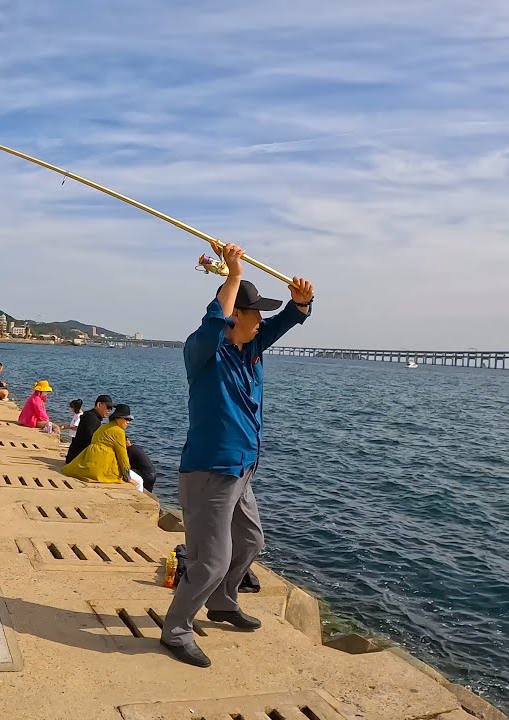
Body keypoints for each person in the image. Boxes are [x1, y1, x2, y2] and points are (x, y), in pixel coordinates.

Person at [160, 243, 314, 669]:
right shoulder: (203, 353)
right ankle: (175, 630)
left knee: (250, 541)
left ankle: (223, 604)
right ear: (235, 318)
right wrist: (232, 275)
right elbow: (211, 324)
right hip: (210, 471)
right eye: (255, 313)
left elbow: (284, 323)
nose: (261, 320)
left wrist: (302, 305)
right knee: (210, 561)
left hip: (242, 470)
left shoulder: (250, 349)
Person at [61, 404, 137, 486]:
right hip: (102, 467)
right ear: (117, 417)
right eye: (126, 419)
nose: (128, 422)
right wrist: (127, 477)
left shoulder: (104, 426)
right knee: (139, 482)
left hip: (89, 462)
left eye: (130, 420)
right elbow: (122, 456)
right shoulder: (119, 431)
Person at [64, 395, 113, 463]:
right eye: (108, 407)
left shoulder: (91, 416)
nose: (109, 411)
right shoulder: (92, 419)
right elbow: (89, 441)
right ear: (99, 404)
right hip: (77, 460)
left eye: (111, 408)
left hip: (74, 457)